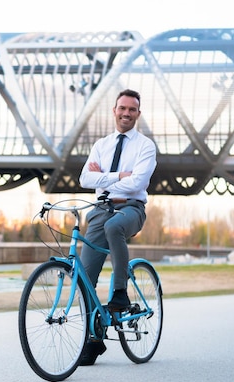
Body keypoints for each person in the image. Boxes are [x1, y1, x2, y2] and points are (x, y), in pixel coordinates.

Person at [78, 88, 157, 366]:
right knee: (84, 275)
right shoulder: (101, 144)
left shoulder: (145, 146)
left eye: (132, 109)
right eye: (122, 108)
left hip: (131, 208)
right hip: (100, 209)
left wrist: (105, 180)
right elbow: (85, 178)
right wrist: (117, 176)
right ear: (114, 110)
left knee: (114, 227)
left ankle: (120, 292)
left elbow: (137, 184)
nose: (126, 113)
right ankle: (94, 339)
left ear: (138, 113)